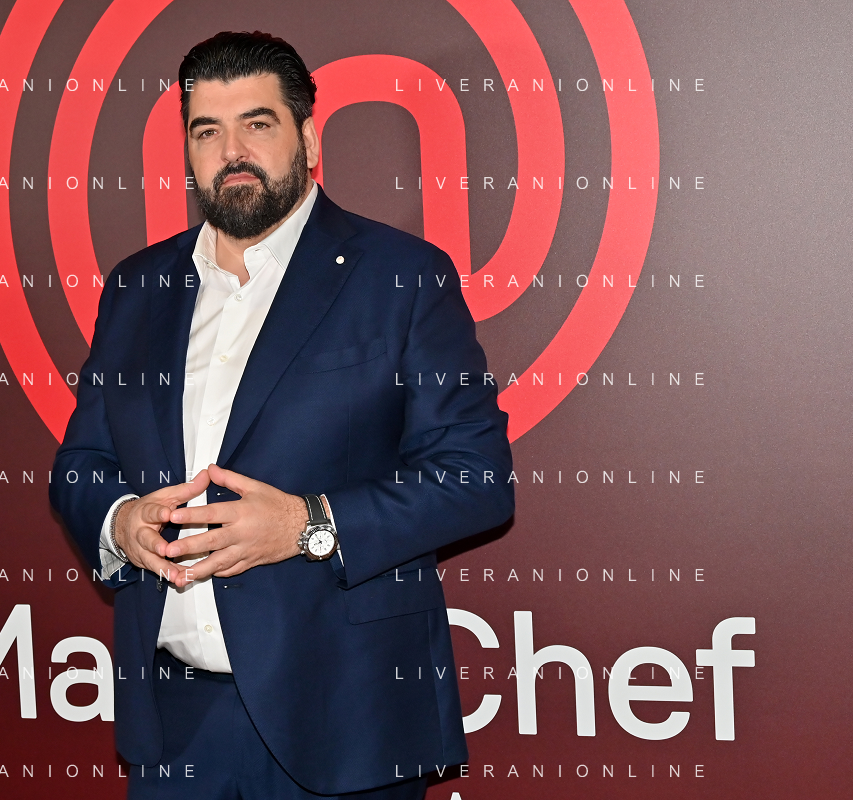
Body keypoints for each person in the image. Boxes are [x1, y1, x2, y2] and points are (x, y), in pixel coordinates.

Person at [50, 30, 513, 800]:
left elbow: (474, 480)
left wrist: (307, 525)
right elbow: (81, 465)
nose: (231, 151)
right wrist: (120, 522)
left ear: (308, 139)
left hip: (343, 723)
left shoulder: (401, 277)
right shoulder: (137, 288)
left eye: (256, 124)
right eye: (207, 131)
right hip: (173, 731)